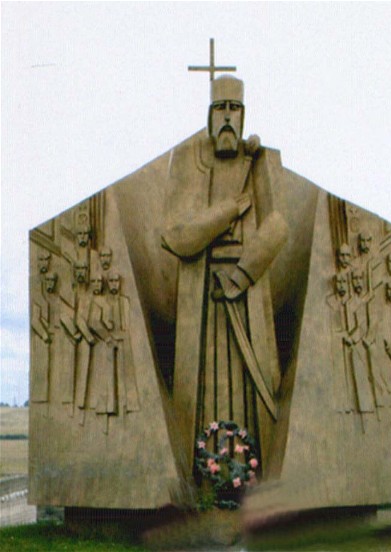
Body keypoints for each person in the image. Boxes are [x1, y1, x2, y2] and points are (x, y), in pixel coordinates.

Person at [162, 75, 287, 476]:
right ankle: (199, 473)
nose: (229, 118)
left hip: (247, 291)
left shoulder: (260, 161)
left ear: (244, 114)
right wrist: (227, 212)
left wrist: (243, 275)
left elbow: (278, 224)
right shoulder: (187, 159)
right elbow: (177, 236)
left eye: (235, 109)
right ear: (210, 116)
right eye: (221, 109)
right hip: (200, 296)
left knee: (252, 389)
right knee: (198, 390)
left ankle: (252, 474)